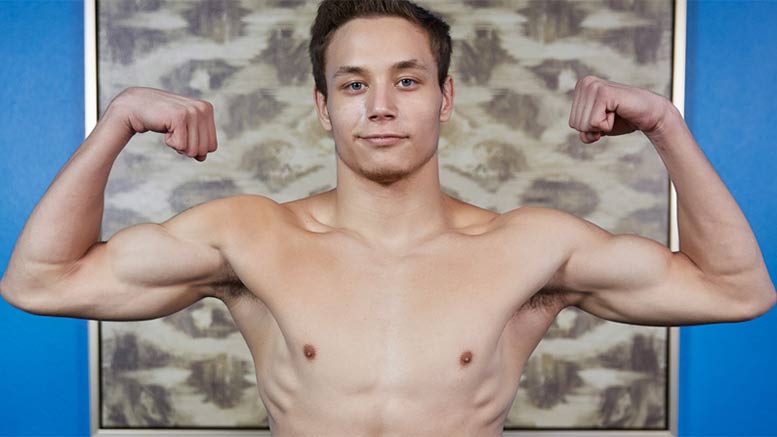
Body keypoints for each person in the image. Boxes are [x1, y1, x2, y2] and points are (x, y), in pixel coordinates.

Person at [1, 0, 774, 434]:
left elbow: (736, 290)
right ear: (322, 106)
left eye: (406, 81)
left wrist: (665, 125)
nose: (379, 106)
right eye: (352, 84)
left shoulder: (530, 247)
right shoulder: (250, 237)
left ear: (444, 97)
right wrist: (117, 121)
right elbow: (40, 281)